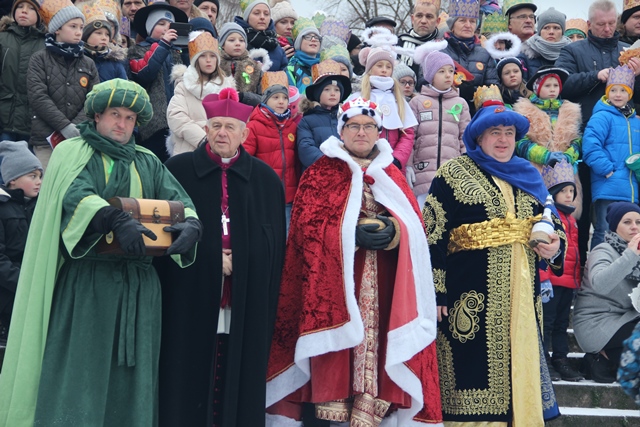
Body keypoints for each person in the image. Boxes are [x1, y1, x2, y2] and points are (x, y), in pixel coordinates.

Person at [0, 78, 202, 426]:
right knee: (82, 374)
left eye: (130, 118)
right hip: (89, 286)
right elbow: (75, 194)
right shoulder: (73, 153)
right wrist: (111, 217)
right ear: (96, 116)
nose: (122, 124)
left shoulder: (148, 161)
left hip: (140, 289)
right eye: (115, 114)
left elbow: (178, 199)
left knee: (134, 380)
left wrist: (193, 224)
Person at [266, 96, 442, 425]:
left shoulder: (392, 174)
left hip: (385, 283)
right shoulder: (320, 174)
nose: (361, 132)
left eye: (369, 126)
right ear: (342, 131)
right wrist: (348, 234)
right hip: (336, 286)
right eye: (354, 126)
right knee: (337, 356)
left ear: (379, 132)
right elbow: (306, 231)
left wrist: (395, 232)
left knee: (380, 351)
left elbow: (415, 230)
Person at [423, 99, 564, 423]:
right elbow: (432, 233)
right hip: (468, 294)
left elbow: (552, 221)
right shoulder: (452, 173)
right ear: (478, 137)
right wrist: (436, 292)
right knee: (471, 370)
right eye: (495, 132)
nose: (503, 139)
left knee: (521, 365)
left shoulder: (530, 176)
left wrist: (555, 245)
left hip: (523, 297)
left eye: (509, 133)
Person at [157, 87, 286, 426]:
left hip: (242, 297)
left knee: (236, 365)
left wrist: (240, 261)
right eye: (216, 126)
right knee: (189, 365)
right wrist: (213, 258)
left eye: (230, 127)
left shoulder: (265, 180)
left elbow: (273, 247)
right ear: (206, 130)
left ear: (244, 134)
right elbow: (166, 235)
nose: (222, 134)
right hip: (191, 293)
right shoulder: (178, 170)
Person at [555, 0, 640, 268]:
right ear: (589, 24)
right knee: (582, 214)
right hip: (583, 143)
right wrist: (596, 75)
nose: (607, 29)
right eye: (601, 24)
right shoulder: (573, 49)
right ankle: (583, 271)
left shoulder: (628, 50)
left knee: (625, 217)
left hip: (623, 150)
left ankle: (626, 272)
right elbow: (561, 84)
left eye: (611, 23)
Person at [26, 0, 99, 170]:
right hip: (46, 139)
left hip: (79, 139)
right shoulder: (39, 59)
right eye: (73, 26)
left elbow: (94, 99)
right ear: (57, 29)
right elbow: (38, 97)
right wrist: (64, 126)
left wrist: (77, 127)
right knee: (47, 183)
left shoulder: (88, 63)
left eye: (81, 27)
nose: (78, 32)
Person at [574, 202, 640, 383]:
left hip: (626, 319)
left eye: (638, 222)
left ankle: (603, 360)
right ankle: (602, 357)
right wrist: (630, 255)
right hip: (596, 323)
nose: (634, 227)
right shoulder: (603, 250)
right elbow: (600, 284)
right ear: (615, 226)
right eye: (627, 222)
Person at [513, 66, 583, 219]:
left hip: (565, 171)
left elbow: (577, 140)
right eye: (547, 85)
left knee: (566, 214)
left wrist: (569, 156)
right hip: (536, 169)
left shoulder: (570, 111)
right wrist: (545, 156)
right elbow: (521, 142)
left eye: (556, 85)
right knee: (539, 212)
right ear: (537, 88)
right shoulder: (525, 111)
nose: (552, 89)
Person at [582, 65, 640, 250]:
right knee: (604, 230)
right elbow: (590, 146)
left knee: (630, 236)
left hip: (631, 189)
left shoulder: (634, 121)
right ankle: (598, 267)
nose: (618, 94)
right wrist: (607, 170)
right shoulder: (602, 116)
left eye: (623, 90)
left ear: (629, 94)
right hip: (608, 186)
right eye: (613, 90)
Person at [408, 43, 470, 207]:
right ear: (430, 75)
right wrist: (408, 166)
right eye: (441, 71)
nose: (448, 75)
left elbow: (465, 136)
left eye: (450, 71)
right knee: (424, 216)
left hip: (452, 173)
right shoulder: (417, 102)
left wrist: (466, 162)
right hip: (423, 174)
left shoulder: (460, 103)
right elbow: (410, 137)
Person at [539, 159, 584, 382]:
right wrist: (544, 278)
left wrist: (578, 279)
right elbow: (543, 251)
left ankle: (560, 358)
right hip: (553, 281)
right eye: (564, 191)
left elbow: (575, 252)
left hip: (568, 283)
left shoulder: (571, 219)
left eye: (571, 191)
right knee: (547, 323)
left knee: (561, 324)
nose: (568, 195)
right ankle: (544, 361)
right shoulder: (549, 217)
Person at [128, 1, 188, 162]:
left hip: (177, 122)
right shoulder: (137, 50)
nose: (167, 28)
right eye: (161, 24)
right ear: (150, 27)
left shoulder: (178, 51)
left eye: (171, 25)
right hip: (152, 125)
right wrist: (163, 45)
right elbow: (144, 73)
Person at [354, 28, 417, 172]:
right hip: (365, 165)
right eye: (379, 66)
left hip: (394, 166)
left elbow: (408, 134)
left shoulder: (398, 100)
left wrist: (398, 159)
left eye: (388, 67)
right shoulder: (359, 98)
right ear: (370, 68)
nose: (384, 70)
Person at [167, 30, 235, 156]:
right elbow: (176, 117)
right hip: (189, 151)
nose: (208, 60)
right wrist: (203, 140)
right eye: (203, 56)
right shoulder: (183, 86)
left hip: (219, 153)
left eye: (212, 56)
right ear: (196, 60)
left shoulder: (227, 88)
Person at [0, 140, 42, 345]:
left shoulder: (41, 206)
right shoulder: (2, 207)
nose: (39, 181)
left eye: (40, 176)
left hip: (33, 285)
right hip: (8, 290)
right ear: (13, 180)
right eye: (32, 176)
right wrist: (23, 283)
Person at [244, 73, 298, 228]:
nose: (281, 101)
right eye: (276, 97)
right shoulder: (254, 126)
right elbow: (245, 158)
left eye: (285, 98)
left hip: (288, 196)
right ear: (265, 100)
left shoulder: (292, 126)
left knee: (286, 234)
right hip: (264, 194)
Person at [442, 0, 499, 116]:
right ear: (452, 25)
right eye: (462, 20)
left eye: (472, 21)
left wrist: (474, 94)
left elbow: (493, 88)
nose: (468, 25)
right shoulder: (440, 51)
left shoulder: (484, 54)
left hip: (477, 115)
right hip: (445, 115)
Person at [0, 0, 45, 143]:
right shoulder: (2, 38)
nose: (24, 11)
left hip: (31, 123)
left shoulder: (46, 44)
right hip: (4, 120)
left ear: (40, 15)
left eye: (31, 8)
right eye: (20, 7)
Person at [297, 59, 351, 171]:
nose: (333, 93)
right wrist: (330, 164)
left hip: (347, 172)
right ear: (318, 93)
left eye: (337, 90)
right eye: (327, 89)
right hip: (318, 173)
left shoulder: (347, 118)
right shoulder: (307, 120)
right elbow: (305, 148)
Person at [518, 8, 571, 81]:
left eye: (556, 28)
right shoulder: (526, 56)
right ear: (540, 31)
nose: (551, 32)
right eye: (546, 28)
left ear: (562, 32)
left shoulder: (571, 54)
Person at [234, 0, 288, 71]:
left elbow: (285, 75)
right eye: (257, 13)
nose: (262, 17)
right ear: (247, 17)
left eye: (266, 14)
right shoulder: (235, 43)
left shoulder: (278, 49)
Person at [80, 4, 128, 82]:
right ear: (86, 35)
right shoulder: (77, 58)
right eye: (99, 33)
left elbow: (123, 85)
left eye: (107, 34)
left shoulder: (115, 62)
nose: (104, 37)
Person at [398, 0, 442, 77]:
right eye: (419, 16)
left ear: (437, 21)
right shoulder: (398, 45)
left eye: (429, 16)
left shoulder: (443, 47)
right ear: (412, 19)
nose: (423, 21)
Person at [286, 18, 320, 94]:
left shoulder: (325, 68)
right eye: (308, 36)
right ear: (299, 42)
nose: (313, 39)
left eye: (316, 37)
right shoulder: (291, 69)